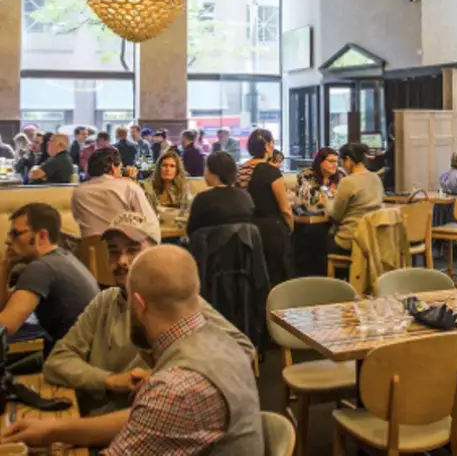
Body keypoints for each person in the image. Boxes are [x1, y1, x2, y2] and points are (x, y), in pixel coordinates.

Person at [5, 245, 264, 454]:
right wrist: (54, 431)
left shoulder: (176, 389)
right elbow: (146, 419)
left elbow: (162, 411)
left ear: (139, 305)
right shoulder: (222, 341)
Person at [44, 212, 256, 416]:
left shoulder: (179, 303)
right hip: (92, 421)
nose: (122, 261)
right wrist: (110, 381)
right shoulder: (105, 301)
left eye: (133, 250)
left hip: (151, 421)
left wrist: (168, 378)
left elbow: (243, 349)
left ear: (155, 253)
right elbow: (57, 362)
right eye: (114, 251)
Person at [0, 203, 98, 344]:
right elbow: (5, 310)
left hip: (74, 359)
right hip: (85, 352)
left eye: (16, 234)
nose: (8, 240)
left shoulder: (41, 268)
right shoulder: (61, 257)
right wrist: (4, 268)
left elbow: (5, 328)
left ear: (42, 236)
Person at [71, 147, 158, 238]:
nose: (121, 173)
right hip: (122, 249)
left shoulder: (78, 192)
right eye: (120, 168)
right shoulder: (129, 188)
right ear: (113, 167)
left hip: (90, 249)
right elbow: (151, 225)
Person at [245, 130, 293, 286]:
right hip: (271, 230)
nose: (273, 146)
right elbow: (285, 209)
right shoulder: (272, 172)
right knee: (276, 277)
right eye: (272, 142)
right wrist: (290, 227)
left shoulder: (242, 169)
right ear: (266, 146)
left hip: (247, 229)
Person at [328, 142, 384, 255]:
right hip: (372, 240)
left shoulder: (348, 181)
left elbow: (335, 215)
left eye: (341, 162)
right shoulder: (376, 178)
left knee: (317, 242)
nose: (341, 167)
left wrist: (326, 201)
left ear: (348, 160)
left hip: (350, 240)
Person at [187, 152, 254, 236]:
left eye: (206, 167)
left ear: (212, 171)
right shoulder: (245, 197)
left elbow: (191, 231)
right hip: (241, 248)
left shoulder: (203, 199)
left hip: (209, 247)